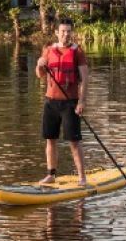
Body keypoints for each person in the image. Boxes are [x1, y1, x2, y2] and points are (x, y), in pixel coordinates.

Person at [35, 17, 88, 185]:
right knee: (50, 139)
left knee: (74, 141)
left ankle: (82, 177)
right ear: (57, 32)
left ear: (71, 33)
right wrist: (39, 65)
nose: (66, 34)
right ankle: (51, 174)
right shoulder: (48, 50)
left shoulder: (77, 51)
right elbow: (40, 75)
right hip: (51, 102)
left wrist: (81, 102)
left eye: (68, 31)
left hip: (70, 103)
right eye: (63, 31)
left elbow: (85, 79)